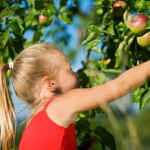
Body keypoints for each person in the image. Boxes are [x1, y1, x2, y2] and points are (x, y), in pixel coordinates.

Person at [0, 43, 149, 150]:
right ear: (50, 83)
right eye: (69, 69)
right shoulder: (62, 103)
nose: (76, 73)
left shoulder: (32, 123)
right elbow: (120, 86)